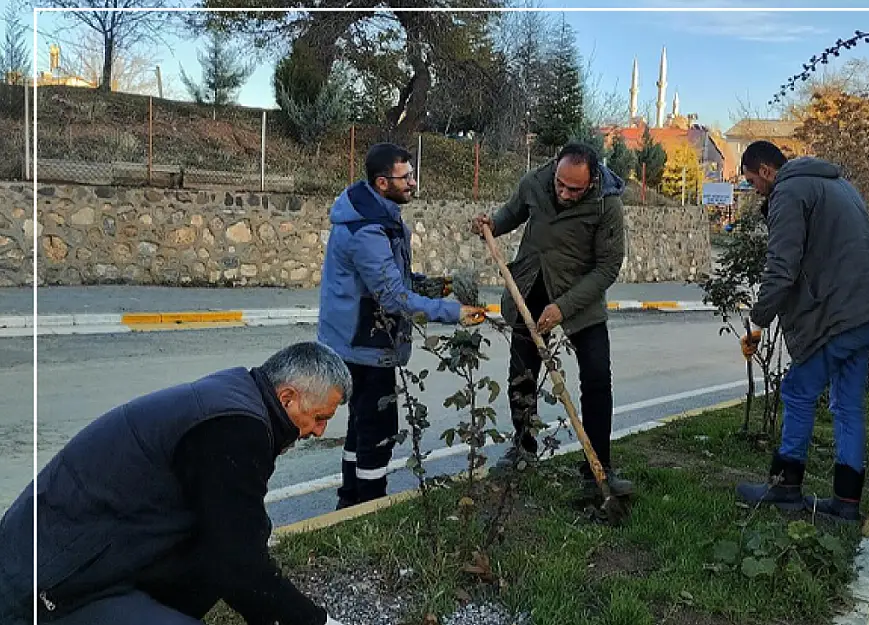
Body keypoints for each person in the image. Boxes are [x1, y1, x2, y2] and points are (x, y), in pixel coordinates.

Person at [0, 342, 356, 625]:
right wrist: (314, 621)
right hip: (46, 583)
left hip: (69, 551)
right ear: (288, 398)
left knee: (247, 531)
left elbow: (236, 535)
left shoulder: (236, 395)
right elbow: (238, 562)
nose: (319, 431)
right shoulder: (234, 429)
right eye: (320, 418)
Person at [733, 141, 869, 523]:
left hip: (840, 315)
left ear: (765, 171)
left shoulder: (789, 192)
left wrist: (758, 323)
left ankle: (785, 487)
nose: (753, 190)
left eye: (751, 181)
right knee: (848, 404)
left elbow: (782, 265)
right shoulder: (839, 184)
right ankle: (846, 503)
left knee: (797, 390)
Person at [318, 142, 486, 509]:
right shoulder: (366, 230)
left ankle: (350, 501)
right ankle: (369, 506)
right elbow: (392, 297)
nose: (413, 182)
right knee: (377, 429)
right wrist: (452, 312)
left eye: (412, 174)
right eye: (405, 176)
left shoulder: (378, 212)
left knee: (361, 423)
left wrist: (430, 284)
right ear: (382, 183)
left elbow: (394, 276)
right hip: (363, 340)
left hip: (361, 336)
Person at [470, 142, 633, 497]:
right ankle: (524, 449)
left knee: (595, 377)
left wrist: (563, 307)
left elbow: (608, 267)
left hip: (580, 294)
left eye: (573, 189)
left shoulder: (608, 203)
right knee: (522, 375)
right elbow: (511, 214)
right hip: (530, 287)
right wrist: (490, 224)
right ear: (555, 170)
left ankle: (598, 465)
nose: (563, 192)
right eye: (560, 183)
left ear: (591, 181)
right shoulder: (536, 182)